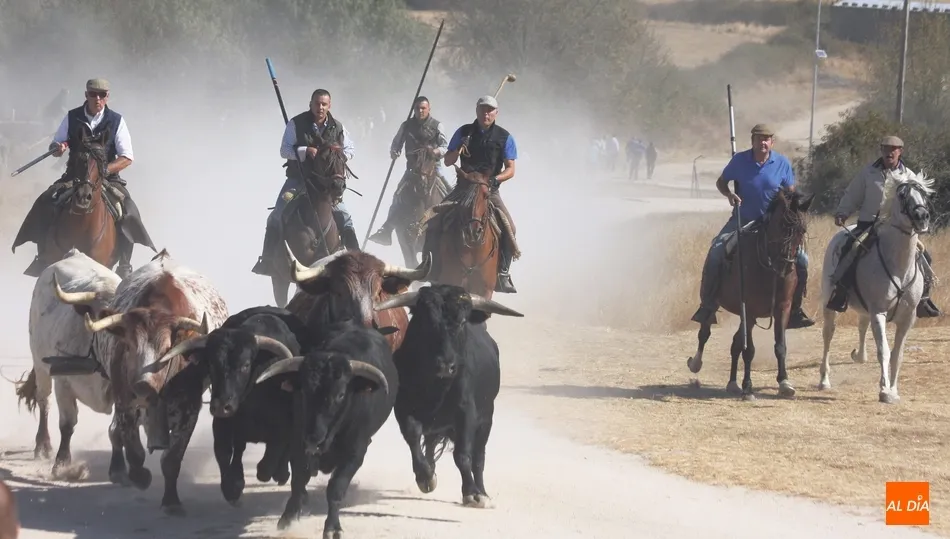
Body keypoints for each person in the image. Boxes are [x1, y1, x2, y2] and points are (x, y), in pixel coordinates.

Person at [12, 78, 155, 279]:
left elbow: (126, 157)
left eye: (102, 95)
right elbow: (55, 145)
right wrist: (57, 148)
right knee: (46, 200)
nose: (97, 98)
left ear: (107, 97)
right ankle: (42, 255)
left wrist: (104, 171)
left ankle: (124, 263)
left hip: (107, 178)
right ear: (86, 94)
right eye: (93, 94)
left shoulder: (117, 121)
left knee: (128, 209)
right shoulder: (72, 117)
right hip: (74, 176)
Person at [691, 123, 815, 329]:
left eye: (766, 139)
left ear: (772, 142)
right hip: (743, 219)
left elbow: (791, 194)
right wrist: (729, 194)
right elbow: (722, 182)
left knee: (801, 259)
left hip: (772, 225)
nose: (762, 142)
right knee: (716, 250)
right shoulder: (739, 160)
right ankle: (708, 305)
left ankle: (795, 309)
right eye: (759, 138)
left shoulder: (782, 163)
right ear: (753, 141)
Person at [826, 135, 940, 317]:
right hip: (868, 225)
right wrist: (843, 212)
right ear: (881, 151)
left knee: (924, 255)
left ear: (900, 152)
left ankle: (923, 300)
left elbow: (917, 202)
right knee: (850, 247)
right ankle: (841, 293)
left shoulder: (909, 176)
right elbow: (853, 194)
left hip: (896, 228)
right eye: (886, 148)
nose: (890, 152)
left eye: (894, 149)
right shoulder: (868, 173)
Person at [252, 88, 358, 276]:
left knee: (345, 216)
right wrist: (304, 151)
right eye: (317, 103)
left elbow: (350, 149)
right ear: (311, 104)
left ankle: (357, 261)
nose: (320, 107)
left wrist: (337, 154)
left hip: (325, 185)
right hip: (298, 180)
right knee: (277, 213)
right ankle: (267, 260)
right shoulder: (296, 123)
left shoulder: (338, 127)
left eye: (324, 104)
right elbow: (284, 150)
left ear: (329, 105)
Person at [424, 95, 519, 293]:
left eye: (490, 110)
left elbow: (511, 169)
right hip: (463, 189)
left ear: (496, 113)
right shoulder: (463, 132)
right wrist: (458, 148)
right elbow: (449, 161)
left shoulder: (505, 137)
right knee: (433, 220)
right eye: (483, 109)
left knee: (510, 227)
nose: (486, 113)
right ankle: (431, 267)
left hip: (488, 190)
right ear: (476, 111)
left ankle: (502, 273)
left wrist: (495, 180)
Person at [368, 95, 450, 246]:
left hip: (433, 165)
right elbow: (396, 143)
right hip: (412, 168)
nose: (420, 111)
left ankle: (454, 225)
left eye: (423, 108)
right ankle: (386, 230)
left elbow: (445, 147)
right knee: (398, 195)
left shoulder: (437, 126)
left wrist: (436, 151)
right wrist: (394, 151)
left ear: (429, 109)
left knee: (448, 191)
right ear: (414, 109)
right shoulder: (406, 125)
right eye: (417, 108)